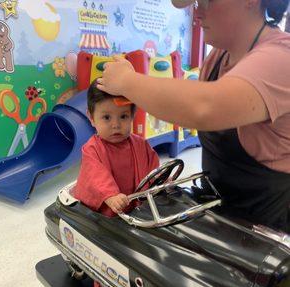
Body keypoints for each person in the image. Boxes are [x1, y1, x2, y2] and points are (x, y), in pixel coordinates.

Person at [97, 0, 290, 233]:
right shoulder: (218, 57)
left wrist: (127, 82)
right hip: (220, 212)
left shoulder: (281, 57)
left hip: (270, 234)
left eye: (207, 2)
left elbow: (204, 108)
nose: (197, 13)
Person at [74, 79, 159, 287]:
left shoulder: (139, 144)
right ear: (91, 118)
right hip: (106, 220)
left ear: (133, 116)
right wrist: (110, 195)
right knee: (113, 261)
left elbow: (154, 171)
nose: (115, 124)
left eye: (123, 117)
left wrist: (162, 188)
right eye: (107, 117)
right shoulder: (93, 149)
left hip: (137, 214)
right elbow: (96, 177)